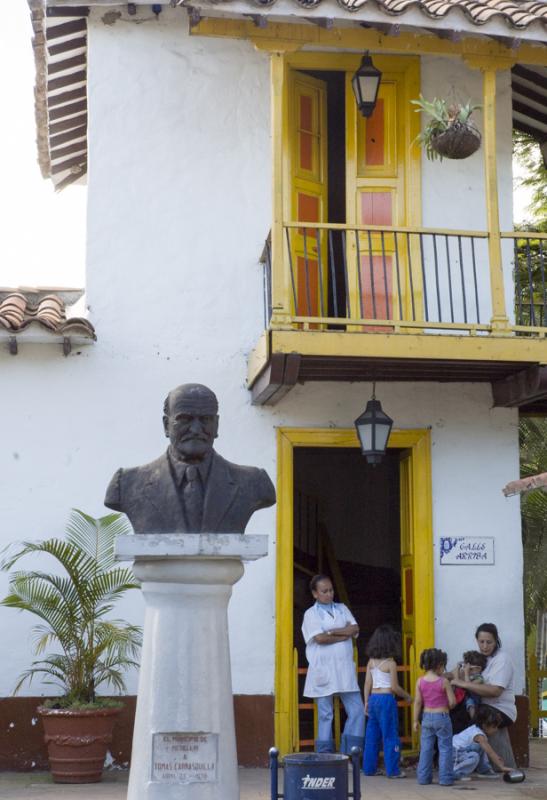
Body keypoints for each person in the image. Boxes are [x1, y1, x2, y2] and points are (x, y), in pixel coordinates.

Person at [105, 383, 276, 533]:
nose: (195, 429)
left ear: (216, 425)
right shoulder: (127, 484)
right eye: (185, 419)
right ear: (166, 425)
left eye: (205, 419)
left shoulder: (254, 483)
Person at [301, 575, 365, 754]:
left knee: (357, 710)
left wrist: (333, 631)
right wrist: (343, 635)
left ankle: (350, 753)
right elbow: (319, 638)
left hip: (344, 669)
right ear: (315, 594)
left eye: (331, 590)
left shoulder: (342, 608)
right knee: (325, 714)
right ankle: (324, 756)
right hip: (323, 669)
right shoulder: (310, 614)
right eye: (324, 591)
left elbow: (355, 629)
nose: (329, 594)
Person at [450, 623, 517, 770]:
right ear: (477, 641)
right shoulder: (480, 659)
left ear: (496, 641)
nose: (485, 646)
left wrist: (464, 684)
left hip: (500, 709)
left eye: (489, 642)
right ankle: (457, 758)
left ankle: (479, 763)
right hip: (483, 705)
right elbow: (455, 673)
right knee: (452, 713)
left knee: (468, 717)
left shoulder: (502, 659)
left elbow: (495, 691)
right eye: (481, 642)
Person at [362, 624, 411, 779]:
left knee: (372, 736)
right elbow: (395, 687)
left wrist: (366, 703)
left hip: (373, 699)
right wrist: (408, 696)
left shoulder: (371, 661)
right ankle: (393, 771)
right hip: (386, 700)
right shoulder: (391, 664)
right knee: (390, 735)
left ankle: (369, 769)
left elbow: (367, 684)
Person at [414, 648, 456, 786]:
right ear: (439, 665)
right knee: (445, 748)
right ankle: (445, 779)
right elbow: (452, 702)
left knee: (426, 748)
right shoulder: (443, 682)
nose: (443, 670)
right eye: (443, 666)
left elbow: (418, 702)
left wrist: (415, 720)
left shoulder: (420, 682)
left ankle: (423, 778)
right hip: (442, 716)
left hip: (426, 717)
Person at [452, 705, 513, 780]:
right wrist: (501, 766)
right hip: (454, 752)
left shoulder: (478, 731)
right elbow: (490, 752)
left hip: (461, 750)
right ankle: (455, 773)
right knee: (474, 757)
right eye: (494, 727)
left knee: (480, 748)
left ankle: (484, 770)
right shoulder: (478, 735)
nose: (496, 730)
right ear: (484, 725)